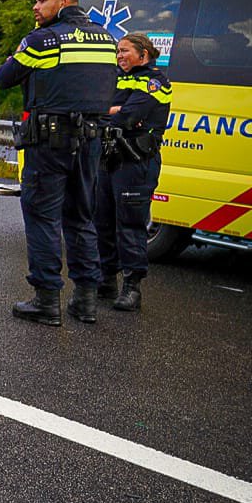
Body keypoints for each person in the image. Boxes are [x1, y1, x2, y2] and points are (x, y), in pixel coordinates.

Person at [0, 0, 118, 325]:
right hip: (90, 141)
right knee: (81, 217)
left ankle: (47, 300)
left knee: (43, 217)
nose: (35, 7)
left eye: (41, 0)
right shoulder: (106, 39)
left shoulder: (43, 40)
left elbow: (4, 78)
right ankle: (86, 299)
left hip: (50, 142)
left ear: (64, 1)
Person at [95, 33, 171, 311]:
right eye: (118, 51)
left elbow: (128, 116)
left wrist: (114, 110)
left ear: (144, 54)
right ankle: (107, 280)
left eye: (125, 51)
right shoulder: (118, 77)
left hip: (136, 161)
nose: (119, 55)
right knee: (102, 221)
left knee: (129, 225)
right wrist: (111, 109)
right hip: (108, 158)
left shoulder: (156, 81)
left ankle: (132, 287)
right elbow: (98, 109)